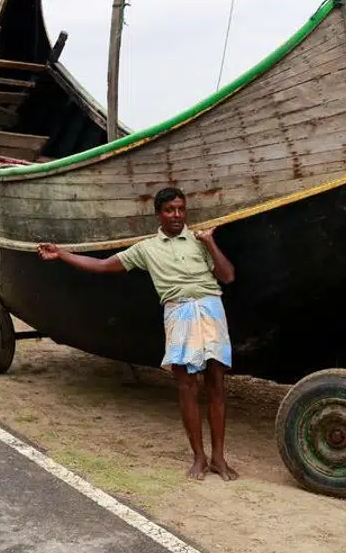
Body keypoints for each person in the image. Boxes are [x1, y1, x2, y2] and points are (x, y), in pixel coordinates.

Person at [37, 186, 239, 481]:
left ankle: (219, 458)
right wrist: (62, 254)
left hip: (210, 309)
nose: (177, 215)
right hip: (178, 311)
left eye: (181, 209)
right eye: (170, 210)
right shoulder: (146, 249)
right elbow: (104, 266)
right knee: (186, 386)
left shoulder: (199, 240)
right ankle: (199, 457)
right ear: (159, 214)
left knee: (216, 383)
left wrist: (210, 243)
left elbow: (228, 275)